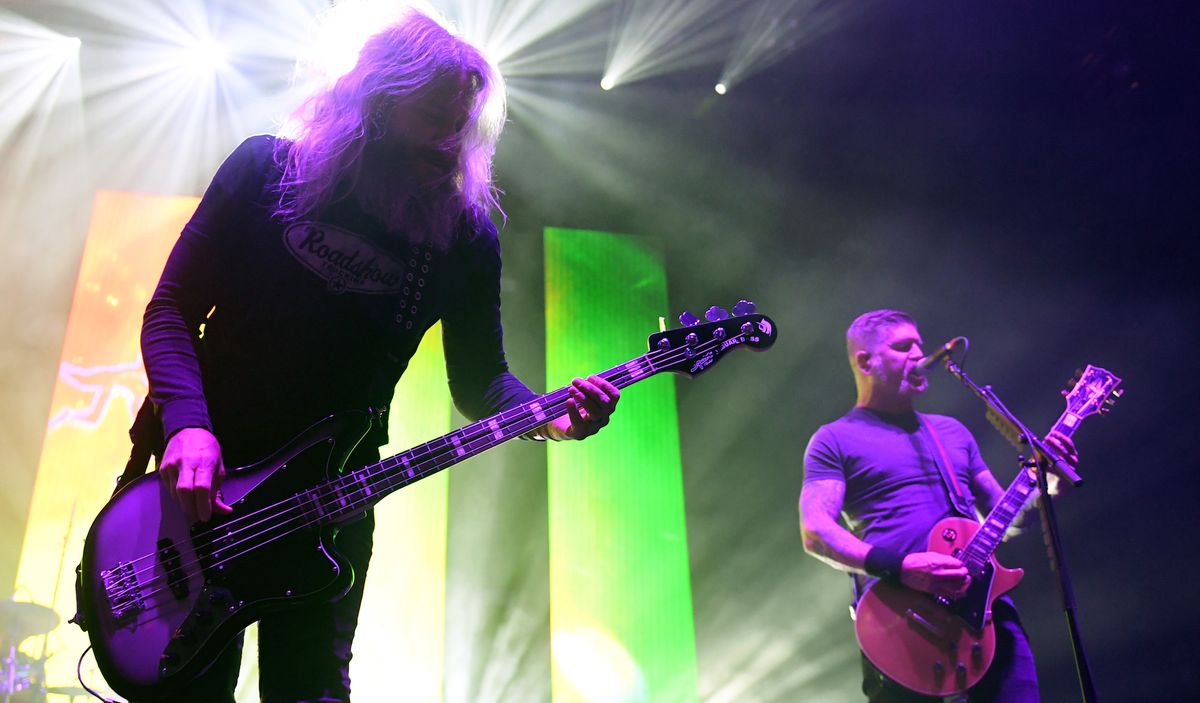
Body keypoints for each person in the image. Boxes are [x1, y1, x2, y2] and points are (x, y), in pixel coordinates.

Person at [131, 10, 619, 702]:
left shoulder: (463, 237)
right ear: (376, 104)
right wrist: (186, 424)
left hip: (331, 506)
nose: (452, 144)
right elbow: (171, 309)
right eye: (435, 119)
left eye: (464, 125)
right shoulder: (265, 168)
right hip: (206, 494)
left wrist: (553, 417)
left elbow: (481, 381)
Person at [798, 310, 1077, 702]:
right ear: (865, 361)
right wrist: (902, 567)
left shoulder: (951, 431)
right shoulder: (835, 440)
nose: (918, 352)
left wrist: (1050, 484)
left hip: (985, 612)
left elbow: (1006, 517)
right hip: (904, 623)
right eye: (902, 346)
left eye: (918, 343)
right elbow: (816, 532)